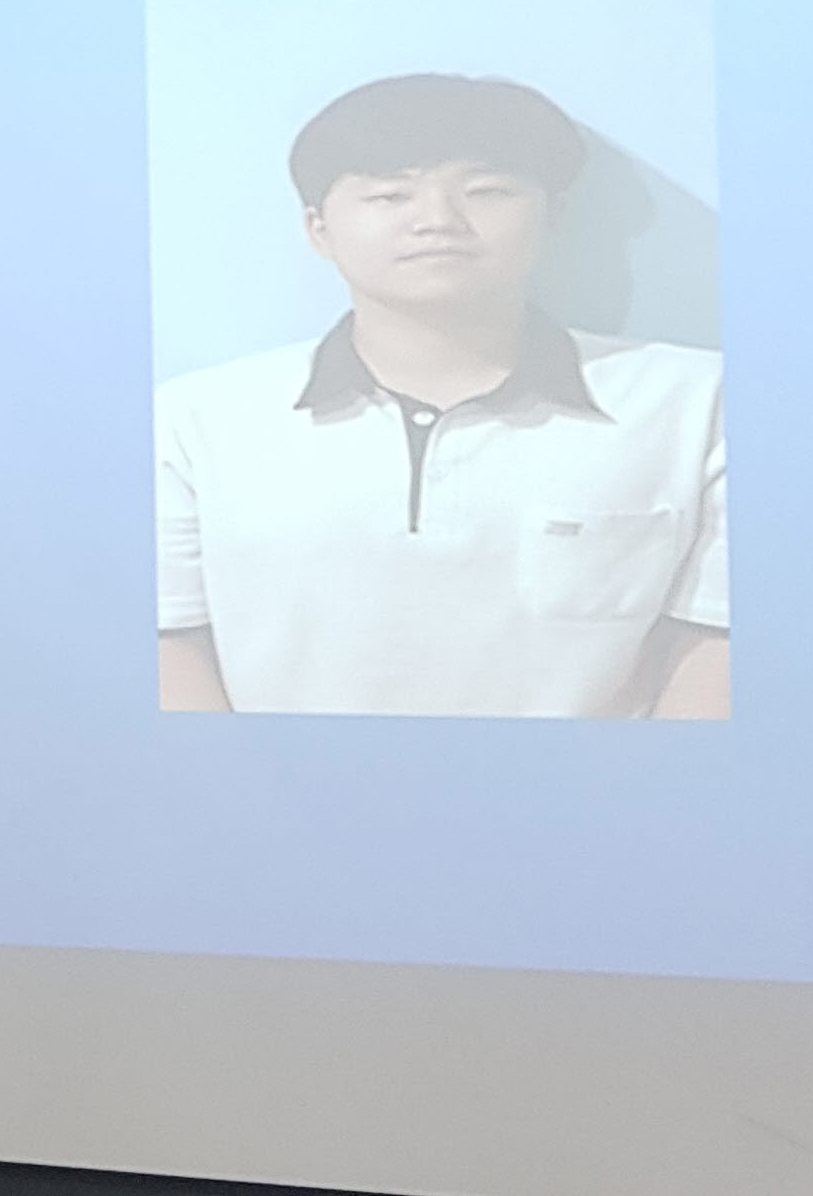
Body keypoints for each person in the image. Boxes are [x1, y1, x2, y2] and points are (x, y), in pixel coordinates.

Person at [155, 73, 728, 720]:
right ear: (318, 229)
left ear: (553, 216)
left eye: (486, 191)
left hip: (598, 787)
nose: (437, 221)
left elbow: (719, 643)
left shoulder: (696, 402)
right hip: (271, 784)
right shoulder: (197, 418)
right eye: (389, 194)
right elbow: (170, 642)